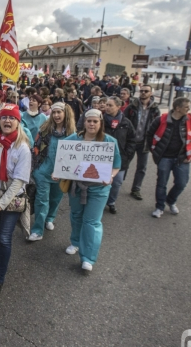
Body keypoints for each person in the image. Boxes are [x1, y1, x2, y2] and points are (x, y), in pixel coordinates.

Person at [61, 109, 121, 271]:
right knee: (76, 215)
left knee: (91, 222)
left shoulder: (110, 142)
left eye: (95, 121)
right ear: (84, 122)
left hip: (99, 188)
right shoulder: (74, 139)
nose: (92, 124)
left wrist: (111, 176)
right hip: (76, 186)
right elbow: (62, 158)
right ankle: (75, 242)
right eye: (89, 121)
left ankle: (88, 258)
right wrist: (57, 172)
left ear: (101, 123)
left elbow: (116, 165)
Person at [0, 104, 31, 297]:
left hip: (12, 198)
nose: (7, 121)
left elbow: (19, 181)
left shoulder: (22, 148)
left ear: (17, 123)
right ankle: (1, 256)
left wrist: (1, 204)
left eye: (11, 118)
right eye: (4, 117)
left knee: (5, 237)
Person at [28, 102, 76, 241]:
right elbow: (35, 149)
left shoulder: (72, 134)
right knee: (41, 201)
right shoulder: (44, 129)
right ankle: (37, 230)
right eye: (54, 112)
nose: (56, 115)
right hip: (43, 172)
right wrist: (33, 168)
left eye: (59, 112)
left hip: (61, 174)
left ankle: (50, 218)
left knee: (55, 199)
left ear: (65, 113)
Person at [147, 97, 191, 218]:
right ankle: (159, 207)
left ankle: (170, 201)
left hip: (182, 158)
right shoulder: (161, 120)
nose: (189, 109)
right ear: (177, 108)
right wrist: (154, 151)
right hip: (164, 157)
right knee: (161, 183)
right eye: (186, 107)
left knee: (181, 183)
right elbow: (150, 134)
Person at [123, 84, 161, 200]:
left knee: (142, 167)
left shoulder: (155, 109)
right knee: (124, 164)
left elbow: (157, 127)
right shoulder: (131, 107)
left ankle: (136, 189)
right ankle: (117, 184)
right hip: (131, 141)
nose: (143, 93)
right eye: (142, 91)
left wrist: (153, 143)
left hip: (144, 143)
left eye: (146, 91)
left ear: (151, 93)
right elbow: (124, 122)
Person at [104, 97, 136, 214]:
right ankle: (101, 201)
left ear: (118, 107)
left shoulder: (126, 123)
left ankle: (111, 202)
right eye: (106, 105)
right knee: (101, 180)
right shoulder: (100, 121)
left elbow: (132, 140)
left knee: (117, 182)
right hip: (102, 158)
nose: (107, 107)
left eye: (110, 105)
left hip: (120, 158)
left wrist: (127, 155)